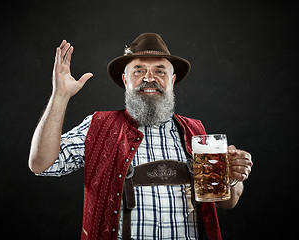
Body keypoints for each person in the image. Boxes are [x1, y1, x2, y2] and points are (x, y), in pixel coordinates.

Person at [28, 33, 253, 240]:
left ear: (172, 80)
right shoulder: (98, 126)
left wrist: (233, 178)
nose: (149, 78)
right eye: (138, 70)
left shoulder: (197, 134)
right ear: (125, 81)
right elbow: (41, 164)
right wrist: (60, 96)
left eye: (159, 70)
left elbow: (226, 201)